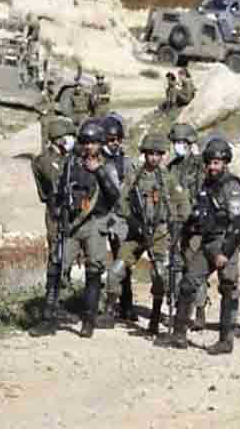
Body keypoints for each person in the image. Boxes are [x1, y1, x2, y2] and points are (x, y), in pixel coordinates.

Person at [29, 119, 121, 338]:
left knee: (94, 270)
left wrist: (99, 171)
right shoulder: (71, 163)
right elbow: (59, 191)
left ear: (100, 144)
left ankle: (89, 320)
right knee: (56, 266)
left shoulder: (107, 165)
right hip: (71, 225)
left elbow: (114, 196)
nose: (89, 146)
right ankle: (48, 318)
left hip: (95, 224)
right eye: (85, 142)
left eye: (93, 143)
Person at [156, 138, 240, 355]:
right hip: (207, 242)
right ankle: (179, 335)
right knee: (188, 283)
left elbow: (239, 222)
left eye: (217, 162)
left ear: (225, 162)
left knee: (228, 288)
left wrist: (226, 251)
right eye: (210, 162)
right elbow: (199, 214)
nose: (212, 167)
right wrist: (183, 231)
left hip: (225, 242)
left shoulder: (231, 185)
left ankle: (225, 340)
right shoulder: (207, 184)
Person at [112, 133, 190, 335]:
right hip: (136, 233)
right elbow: (121, 202)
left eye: (157, 154)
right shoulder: (134, 176)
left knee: (159, 274)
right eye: (150, 154)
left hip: (159, 234)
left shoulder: (168, 178)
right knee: (116, 270)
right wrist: (133, 220)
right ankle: (108, 310)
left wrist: (175, 224)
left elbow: (184, 205)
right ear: (144, 154)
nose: (154, 158)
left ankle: (155, 317)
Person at [167, 123, 210, 331]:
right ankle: (180, 310)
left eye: (181, 142)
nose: (177, 146)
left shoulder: (200, 166)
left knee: (194, 268)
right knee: (176, 267)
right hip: (176, 224)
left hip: (195, 225)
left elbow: (204, 194)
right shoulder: (172, 167)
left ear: (190, 143)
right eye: (175, 142)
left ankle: (200, 311)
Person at [98, 115, 139, 327]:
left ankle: (125, 304)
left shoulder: (127, 161)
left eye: (117, 139)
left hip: (121, 218)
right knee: (96, 262)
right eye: (110, 139)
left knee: (122, 261)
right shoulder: (97, 162)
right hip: (102, 216)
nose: (114, 143)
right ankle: (97, 304)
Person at [31, 118, 76, 288]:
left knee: (73, 248)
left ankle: (68, 283)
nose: (71, 140)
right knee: (56, 251)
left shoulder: (72, 157)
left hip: (73, 210)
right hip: (55, 210)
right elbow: (53, 181)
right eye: (67, 136)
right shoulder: (44, 160)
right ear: (57, 138)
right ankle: (52, 289)